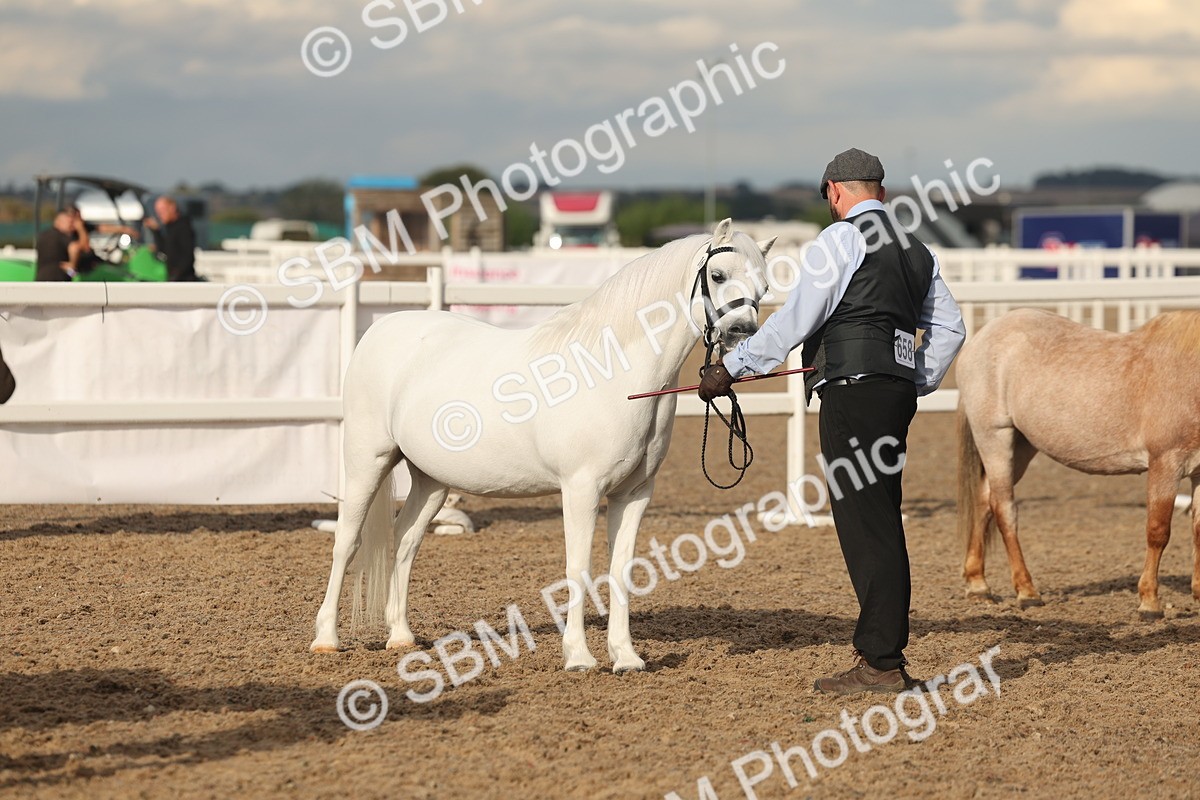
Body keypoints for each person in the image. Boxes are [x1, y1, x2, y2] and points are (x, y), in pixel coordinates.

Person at [698, 148, 967, 694]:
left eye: (828, 199)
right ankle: (884, 655)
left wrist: (732, 365)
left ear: (837, 192)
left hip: (852, 393)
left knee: (867, 525)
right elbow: (951, 329)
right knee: (882, 516)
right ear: (881, 193)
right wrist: (913, 379)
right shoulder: (918, 252)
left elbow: (799, 318)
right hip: (893, 396)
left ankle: (882, 662)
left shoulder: (840, 240)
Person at [144, 196, 198, 281]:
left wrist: (177, 274)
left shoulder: (183, 226)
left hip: (184, 279)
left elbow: (188, 256)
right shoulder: (170, 227)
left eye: (162, 211)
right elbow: (165, 250)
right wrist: (156, 231)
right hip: (175, 277)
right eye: (158, 212)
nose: (159, 215)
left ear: (172, 208)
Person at [35, 209, 90, 281]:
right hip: (59, 279)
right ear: (59, 221)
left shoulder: (44, 235)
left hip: (41, 278)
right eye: (70, 222)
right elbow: (77, 248)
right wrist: (81, 229)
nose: (72, 226)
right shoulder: (61, 236)